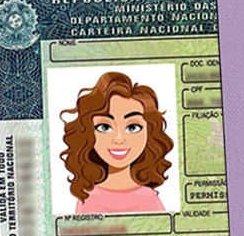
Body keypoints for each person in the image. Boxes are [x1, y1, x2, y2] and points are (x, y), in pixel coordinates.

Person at [61, 71, 174, 214]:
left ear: (149, 133)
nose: (119, 139)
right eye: (105, 127)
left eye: (132, 127)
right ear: (88, 132)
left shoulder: (150, 198)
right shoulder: (87, 199)